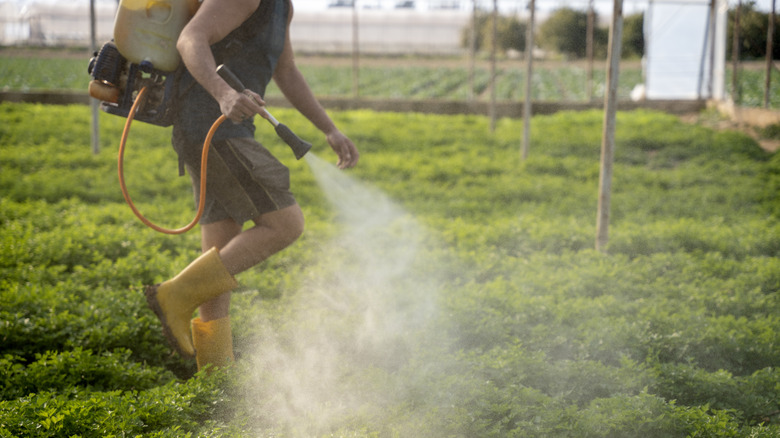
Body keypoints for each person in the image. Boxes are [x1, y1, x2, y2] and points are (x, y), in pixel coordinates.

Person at [144, 0, 359, 372]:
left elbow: (286, 70)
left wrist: (329, 128)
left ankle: (215, 371)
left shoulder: (282, 7)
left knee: (222, 247)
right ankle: (175, 295)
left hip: (221, 128)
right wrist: (224, 93)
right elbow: (189, 38)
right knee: (286, 223)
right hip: (212, 125)